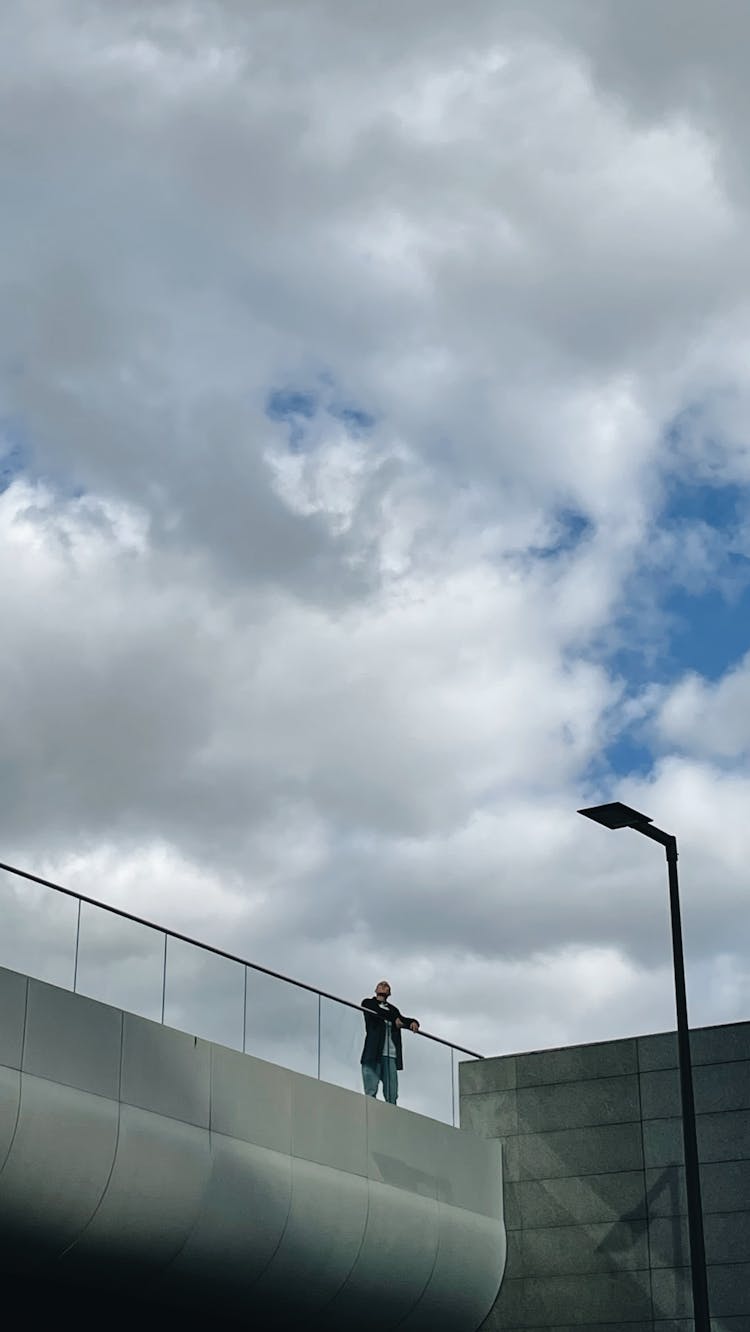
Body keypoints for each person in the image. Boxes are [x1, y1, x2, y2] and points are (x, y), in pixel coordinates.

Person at [360, 980, 420, 1105]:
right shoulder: (368, 1002)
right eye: (380, 985)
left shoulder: (393, 1009)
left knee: (392, 1093)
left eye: (386, 985)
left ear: (389, 992)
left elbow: (403, 1019)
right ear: (376, 990)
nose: (383, 986)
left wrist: (414, 1022)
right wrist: (395, 1019)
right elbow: (378, 1012)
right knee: (370, 1090)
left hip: (390, 1054)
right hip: (373, 1051)